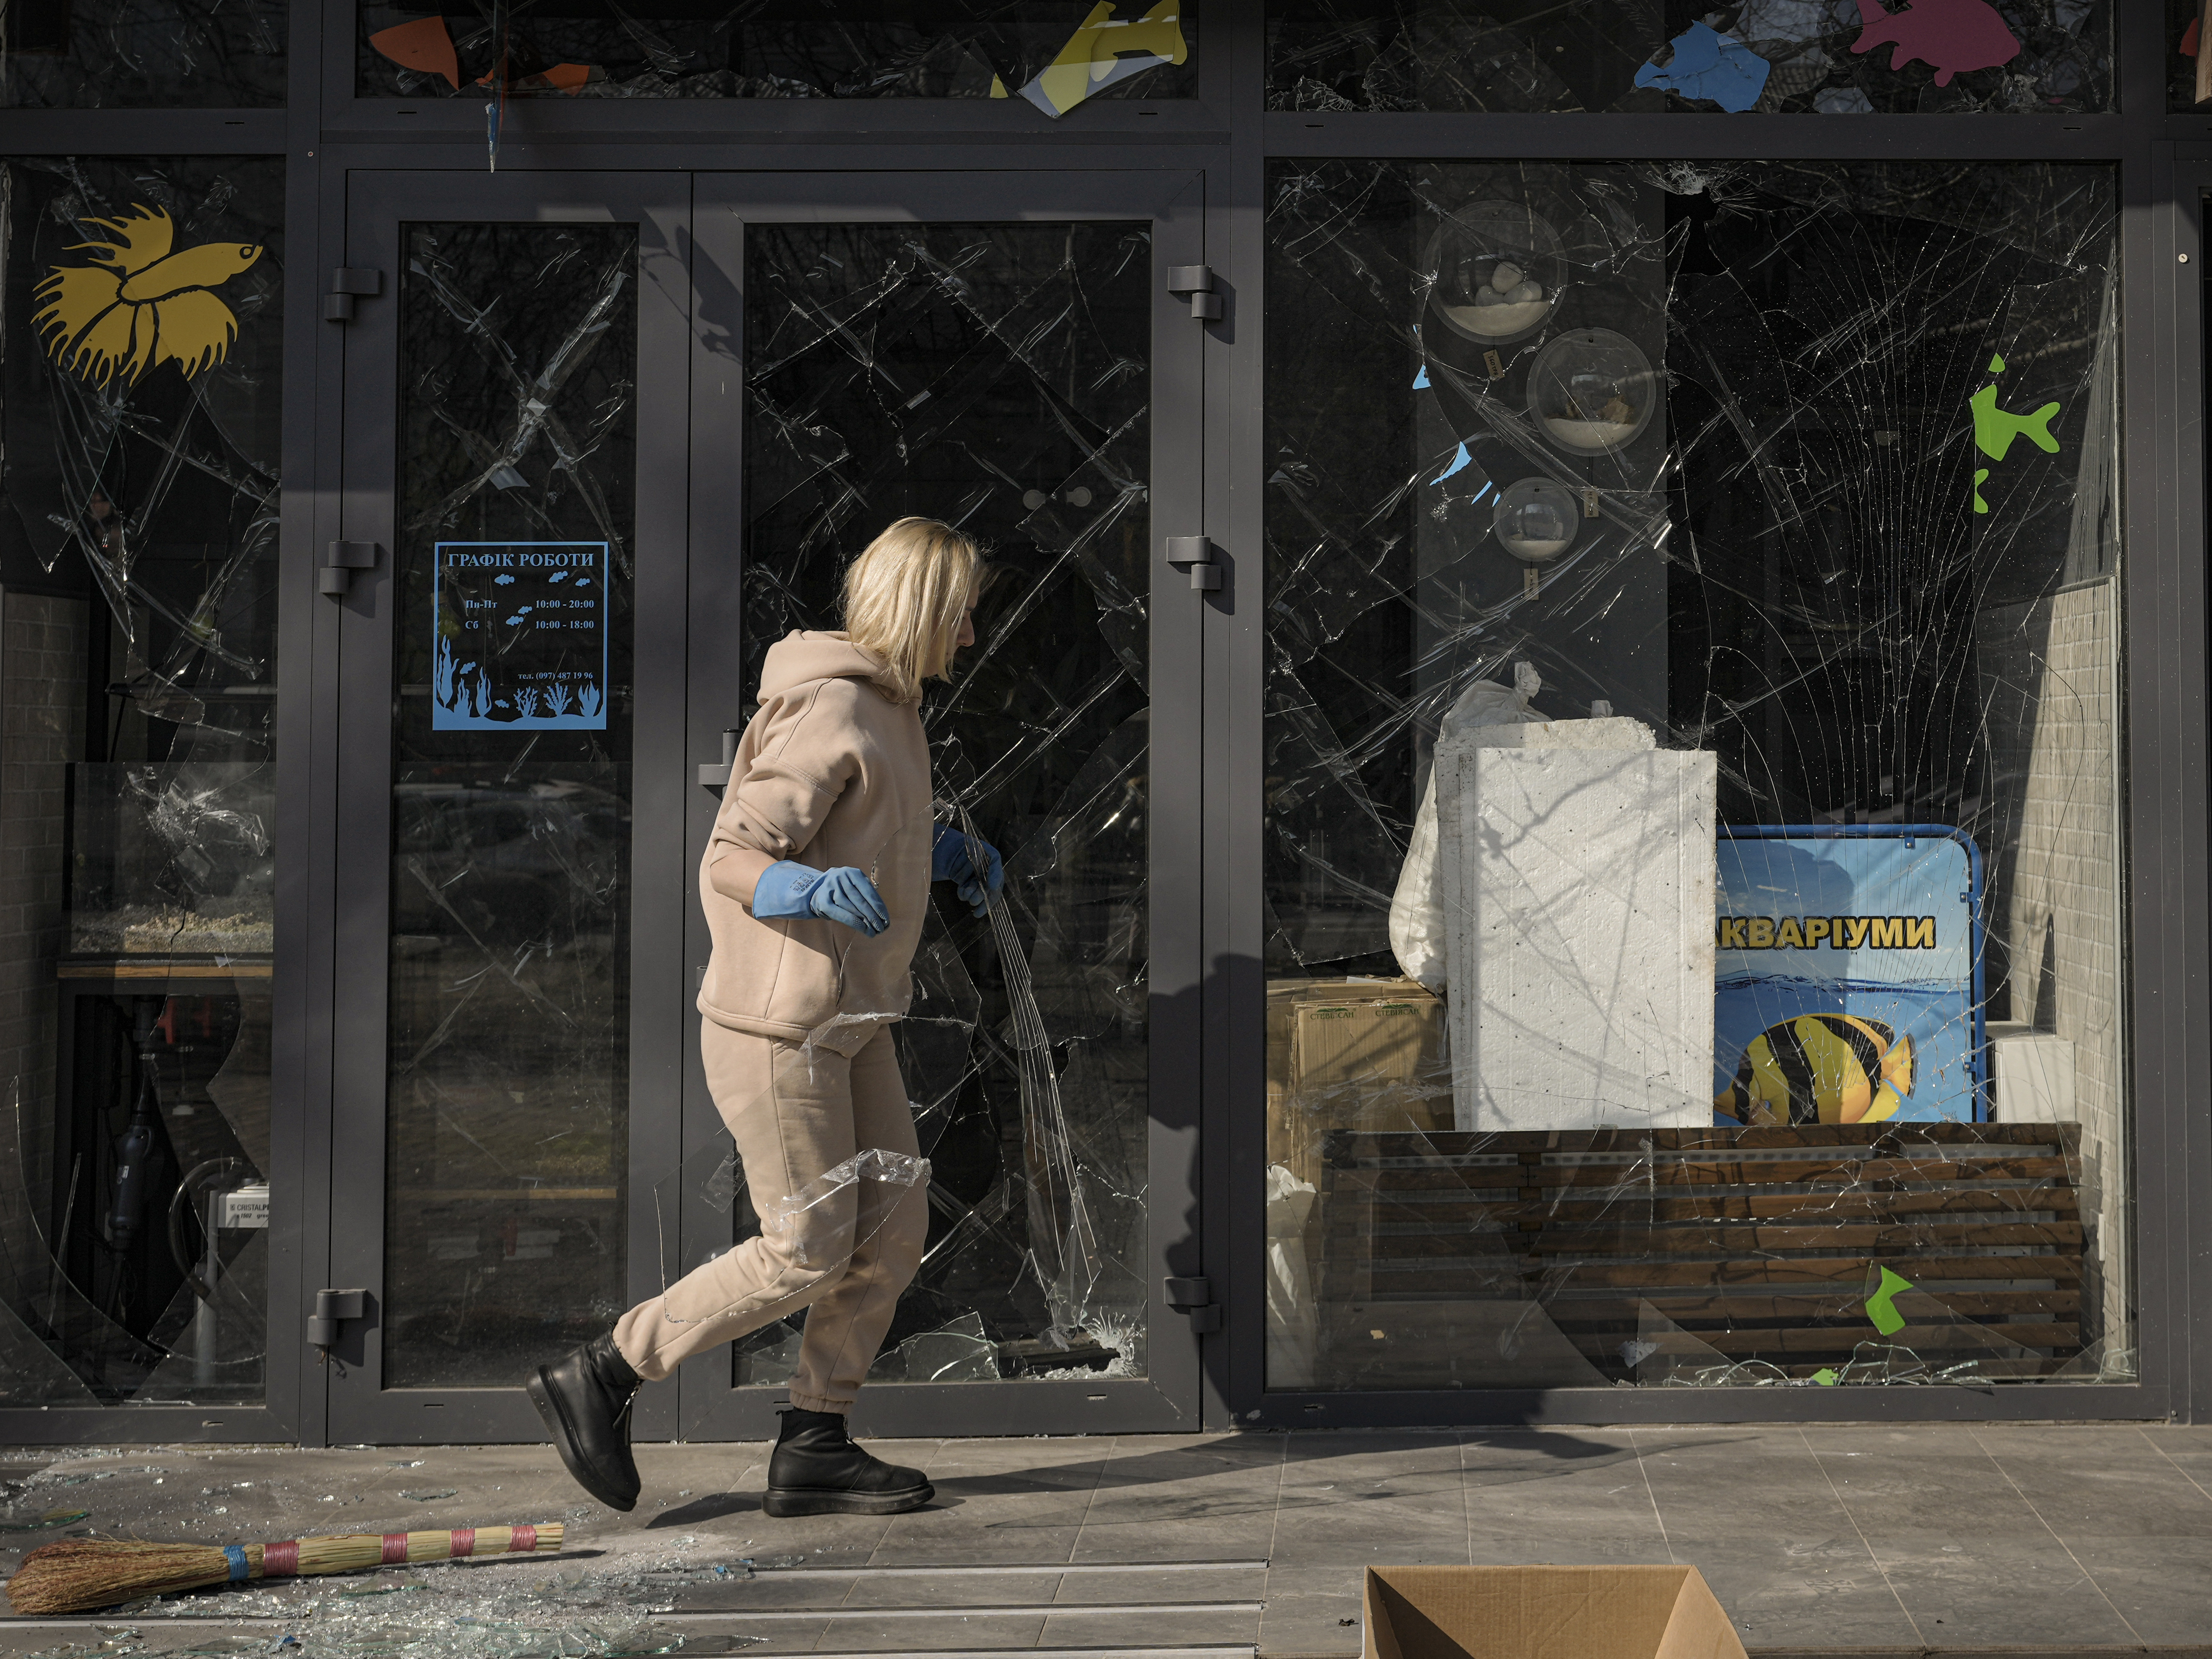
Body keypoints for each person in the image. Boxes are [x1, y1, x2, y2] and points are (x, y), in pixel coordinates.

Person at [526, 517, 1003, 1518]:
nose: (972, 635)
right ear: (922, 607)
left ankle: (814, 1439)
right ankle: (605, 1371)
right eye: (962, 613)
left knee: (893, 1224)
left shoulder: (894, 711)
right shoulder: (832, 704)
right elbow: (729, 856)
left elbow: (866, 825)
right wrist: (802, 885)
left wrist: (939, 855)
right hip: (778, 1031)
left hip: (852, 1020)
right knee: (806, 1244)